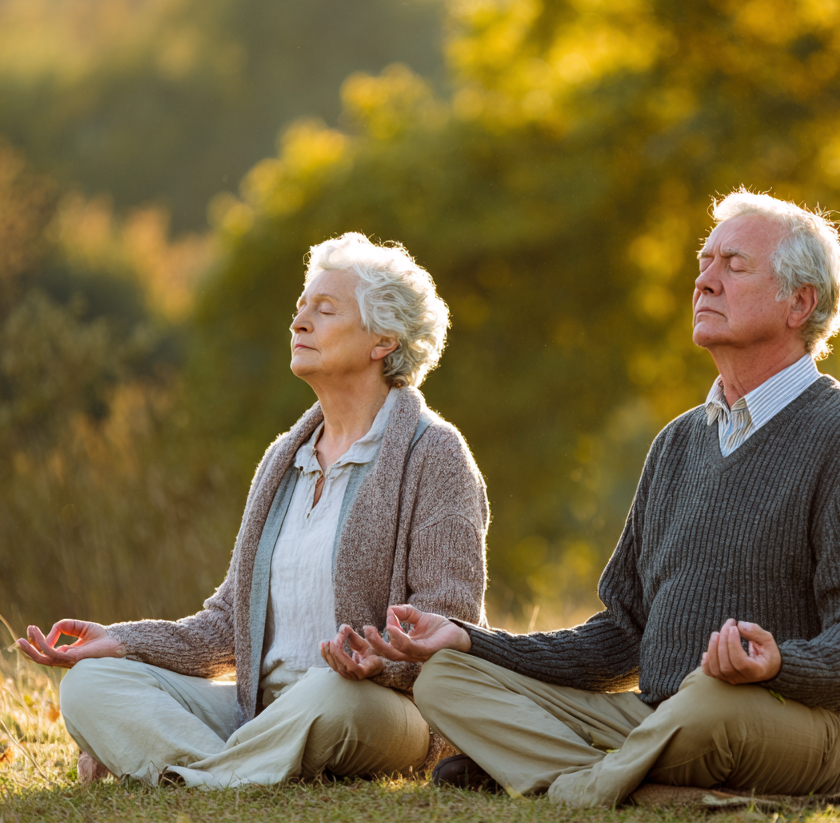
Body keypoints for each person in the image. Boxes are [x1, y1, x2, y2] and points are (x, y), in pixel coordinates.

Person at [355, 190, 840, 808]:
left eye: (733, 266)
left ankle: (574, 782)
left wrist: (777, 665)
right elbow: (622, 636)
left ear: (800, 302)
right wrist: (471, 641)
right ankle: (636, 782)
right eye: (703, 264)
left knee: (709, 701)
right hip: (661, 718)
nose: (704, 281)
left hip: (810, 724)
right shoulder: (678, 444)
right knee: (445, 682)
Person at [18, 233, 488, 789]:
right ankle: (227, 773)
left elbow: (448, 621)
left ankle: (187, 771)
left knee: (327, 692)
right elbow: (227, 626)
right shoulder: (281, 461)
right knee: (91, 684)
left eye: (324, 309)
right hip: (259, 713)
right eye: (300, 308)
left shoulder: (434, 453)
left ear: (383, 340)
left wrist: (380, 664)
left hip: (375, 709)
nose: (299, 322)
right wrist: (124, 642)